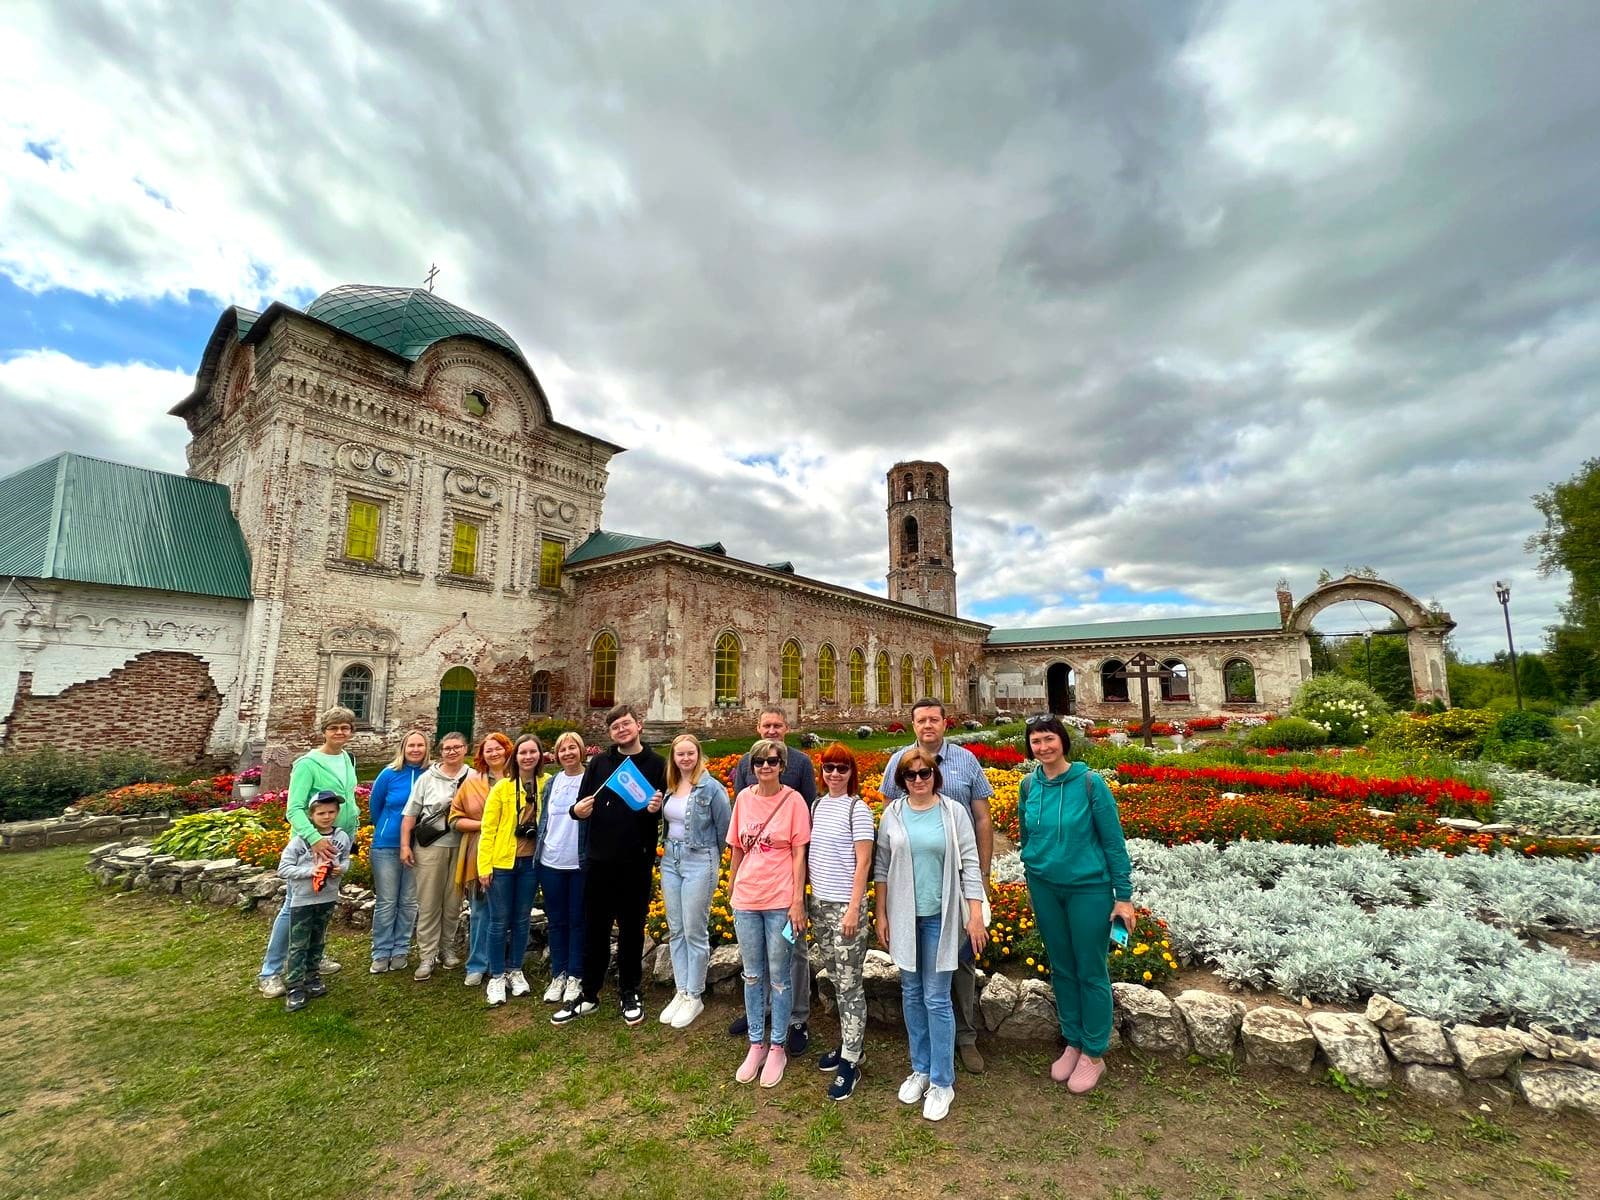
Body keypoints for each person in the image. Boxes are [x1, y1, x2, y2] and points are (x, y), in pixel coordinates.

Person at [1019, 714, 1136, 1095]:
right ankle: (1072, 1039)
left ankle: (1094, 1052)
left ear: (1063, 742)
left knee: (1090, 969)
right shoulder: (1028, 786)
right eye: (1036, 741)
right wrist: (1033, 864)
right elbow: (1026, 833)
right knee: (1062, 966)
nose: (1043, 747)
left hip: (1088, 888)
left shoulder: (1090, 783)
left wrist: (1123, 898)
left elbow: (1113, 843)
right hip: (1045, 887)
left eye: (1049, 739)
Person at [881, 698, 995, 1073]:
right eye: (921, 720)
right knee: (917, 981)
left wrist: (980, 879)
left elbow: (981, 820)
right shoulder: (898, 762)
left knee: (961, 962)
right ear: (912, 725)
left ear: (945, 723)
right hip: (912, 889)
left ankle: (965, 1038)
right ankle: (925, 1054)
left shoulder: (965, 761)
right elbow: (889, 831)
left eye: (934, 719)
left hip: (958, 881)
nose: (928, 725)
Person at [874, 746, 987, 1122]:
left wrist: (975, 913)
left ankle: (942, 1080)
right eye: (911, 775)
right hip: (905, 915)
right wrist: (881, 915)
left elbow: (970, 862)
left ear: (935, 778)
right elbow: (881, 867)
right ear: (901, 780)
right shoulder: (893, 813)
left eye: (925, 774)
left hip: (941, 916)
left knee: (936, 997)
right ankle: (920, 1068)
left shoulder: (952, 813)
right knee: (910, 992)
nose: (918, 780)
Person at [552, 704, 666, 1028]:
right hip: (599, 860)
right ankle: (589, 993)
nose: (621, 730)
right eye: (615, 727)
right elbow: (579, 806)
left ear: (638, 726)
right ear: (610, 733)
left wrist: (656, 807)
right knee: (595, 928)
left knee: (632, 929)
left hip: (635, 861)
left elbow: (663, 811)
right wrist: (578, 811)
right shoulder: (600, 763)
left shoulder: (656, 764)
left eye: (626, 724)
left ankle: (629, 990)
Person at [727, 707, 817, 1052]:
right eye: (767, 725)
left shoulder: (801, 764)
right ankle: (762, 1012)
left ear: (787, 728)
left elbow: (807, 814)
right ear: (758, 728)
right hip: (754, 878)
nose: (772, 730)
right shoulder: (745, 764)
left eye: (778, 725)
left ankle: (796, 1018)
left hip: (785, 879)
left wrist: (799, 886)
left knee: (793, 952)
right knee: (759, 956)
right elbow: (741, 812)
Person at [256, 707, 359, 997]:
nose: (340, 733)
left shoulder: (347, 759)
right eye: (334, 728)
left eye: (345, 728)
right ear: (323, 731)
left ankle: (313, 958)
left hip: (336, 842)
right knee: (294, 907)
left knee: (321, 907)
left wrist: (350, 834)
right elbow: (295, 809)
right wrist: (314, 838)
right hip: (311, 846)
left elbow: (348, 800)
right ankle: (271, 971)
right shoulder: (308, 763)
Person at [807, 743, 876, 1100]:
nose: (835, 774)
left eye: (842, 768)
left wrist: (853, 909)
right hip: (819, 904)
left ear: (852, 773)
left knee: (849, 984)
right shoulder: (817, 806)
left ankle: (851, 1059)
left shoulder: (858, 809)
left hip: (846, 908)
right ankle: (852, 1045)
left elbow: (863, 864)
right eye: (829, 767)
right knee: (835, 977)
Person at [658, 733, 733, 1030]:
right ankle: (682, 990)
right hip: (670, 861)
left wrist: (708, 857)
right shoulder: (672, 786)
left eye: (690, 754)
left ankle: (695, 994)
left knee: (694, 929)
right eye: (680, 754)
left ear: (699, 755)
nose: (685, 759)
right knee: (676, 929)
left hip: (699, 859)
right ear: (674, 758)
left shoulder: (711, 788)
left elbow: (724, 828)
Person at [399, 732, 471, 980]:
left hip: (462, 846)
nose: (452, 752)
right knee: (429, 902)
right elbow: (410, 814)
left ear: (465, 749)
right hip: (432, 846)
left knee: (453, 902)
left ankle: (447, 948)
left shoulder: (473, 777)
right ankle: (427, 955)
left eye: (457, 747)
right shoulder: (428, 778)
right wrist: (405, 846)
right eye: (447, 748)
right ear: (441, 752)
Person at [478, 734, 543, 1006]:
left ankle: (515, 969)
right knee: (498, 920)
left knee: (521, 918)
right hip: (503, 862)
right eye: (522, 753)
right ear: (515, 757)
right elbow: (488, 828)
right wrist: (484, 866)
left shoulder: (546, 784)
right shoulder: (503, 788)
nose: (528, 757)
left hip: (531, 863)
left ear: (540, 755)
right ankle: (496, 975)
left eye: (532, 752)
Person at [275, 790, 353, 1011]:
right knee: (299, 942)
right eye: (321, 813)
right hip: (303, 899)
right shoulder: (300, 841)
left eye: (331, 812)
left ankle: (312, 975)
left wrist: (341, 869)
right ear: (311, 815)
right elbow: (284, 869)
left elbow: (346, 859)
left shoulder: (341, 838)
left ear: (337, 813)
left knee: (318, 939)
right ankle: (295, 985)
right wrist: (312, 871)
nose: (326, 816)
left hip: (327, 897)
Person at [451, 732, 512, 988]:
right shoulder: (472, 781)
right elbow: (454, 819)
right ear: (482, 755)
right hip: (480, 850)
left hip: (512, 852)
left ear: (507, 751)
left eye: (498, 748)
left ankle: (503, 964)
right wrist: (485, 825)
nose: (494, 753)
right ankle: (477, 964)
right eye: (489, 750)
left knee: (508, 911)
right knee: (480, 910)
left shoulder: (518, 780)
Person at [367, 731, 427, 973]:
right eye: (411, 745)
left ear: (426, 748)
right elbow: (375, 805)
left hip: (419, 845)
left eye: (420, 745)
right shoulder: (389, 774)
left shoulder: (430, 774)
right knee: (387, 901)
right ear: (403, 748)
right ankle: (381, 952)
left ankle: (401, 949)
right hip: (387, 845)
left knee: (409, 901)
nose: (415, 749)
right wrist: (385, 828)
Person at [536, 731, 588, 1004]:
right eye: (562, 749)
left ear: (581, 750)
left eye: (572, 748)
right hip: (551, 861)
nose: (568, 753)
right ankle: (559, 972)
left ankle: (575, 976)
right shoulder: (552, 782)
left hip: (578, 861)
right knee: (557, 921)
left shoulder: (591, 779)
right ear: (556, 754)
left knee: (578, 920)